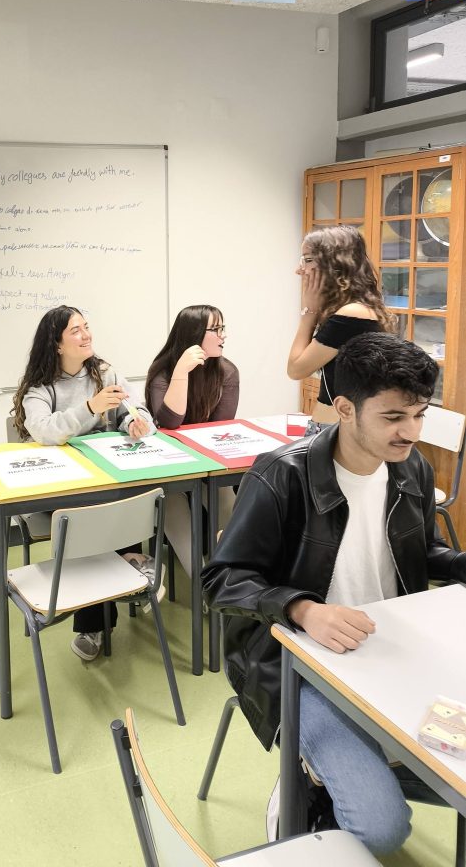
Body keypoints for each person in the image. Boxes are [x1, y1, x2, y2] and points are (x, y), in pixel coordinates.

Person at [202, 332, 466, 856]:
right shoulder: (282, 474)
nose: (411, 432)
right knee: (382, 829)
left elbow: (423, 554)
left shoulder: (410, 468)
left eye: (420, 415)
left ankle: (343, 773)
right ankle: (307, 782)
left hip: (387, 649)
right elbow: (221, 579)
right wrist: (302, 609)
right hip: (297, 665)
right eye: (394, 417)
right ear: (345, 409)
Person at [12, 305, 159, 663]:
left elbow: (137, 412)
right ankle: (131, 562)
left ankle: (95, 621)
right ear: (57, 343)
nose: (86, 334)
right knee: (91, 518)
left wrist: (134, 424)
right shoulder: (39, 387)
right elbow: (44, 431)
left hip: (103, 480)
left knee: (118, 501)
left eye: (86, 326)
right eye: (75, 330)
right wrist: (90, 408)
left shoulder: (105, 373)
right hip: (60, 488)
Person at [145, 304, 239, 576]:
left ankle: (231, 576)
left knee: (224, 496)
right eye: (216, 329)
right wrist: (181, 373)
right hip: (168, 464)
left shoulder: (227, 372)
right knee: (171, 500)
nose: (223, 335)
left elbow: (220, 430)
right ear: (195, 334)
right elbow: (170, 423)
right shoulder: (163, 372)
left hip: (207, 461)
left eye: (223, 328)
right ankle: (202, 582)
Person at [287, 225, 395, 437]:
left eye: (308, 260)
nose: (300, 270)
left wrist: (309, 312)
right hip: (332, 429)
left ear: (334, 265)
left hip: (337, 433)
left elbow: (296, 369)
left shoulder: (353, 314)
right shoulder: (352, 310)